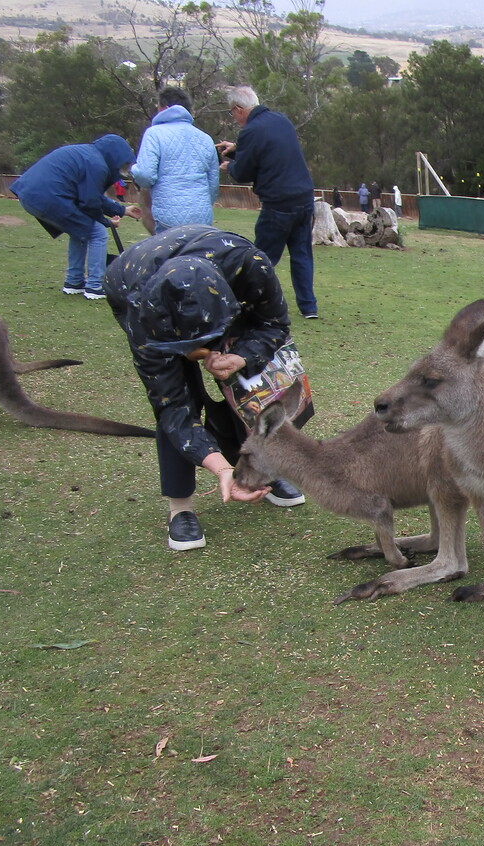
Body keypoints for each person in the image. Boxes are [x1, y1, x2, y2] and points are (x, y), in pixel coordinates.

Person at [103, 224, 308, 551]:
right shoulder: (140, 314)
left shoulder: (250, 266)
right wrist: (221, 470)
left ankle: (256, 470)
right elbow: (172, 406)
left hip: (223, 287)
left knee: (244, 386)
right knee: (178, 396)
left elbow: (274, 325)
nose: (201, 351)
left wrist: (241, 357)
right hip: (134, 287)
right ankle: (180, 507)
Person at [217, 86, 318, 320]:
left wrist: (229, 166)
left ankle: (250, 301)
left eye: (232, 113)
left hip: (278, 202)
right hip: (303, 198)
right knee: (301, 253)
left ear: (238, 109)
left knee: (263, 257)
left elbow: (243, 171)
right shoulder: (280, 120)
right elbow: (269, 152)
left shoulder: (251, 131)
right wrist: (237, 149)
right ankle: (308, 307)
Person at [10, 134, 144, 299]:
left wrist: (123, 210)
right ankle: (95, 286)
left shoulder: (88, 155)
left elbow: (91, 196)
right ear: (114, 155)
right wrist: (105, 222)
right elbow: (89, 202)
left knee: (81, 231)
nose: (122, 168)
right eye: (122, 163)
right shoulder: (97, 165)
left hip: (30, 195)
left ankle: (74, 282)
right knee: (97, 233)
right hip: (49, 197)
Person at [130, 85, 220, 233]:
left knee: (170, 255)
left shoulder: (154, 134)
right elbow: (213, 184)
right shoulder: (205, 138)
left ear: (163, 108)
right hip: (201, 216)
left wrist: (134, 169)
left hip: (168, 216)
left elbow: (145, 176)